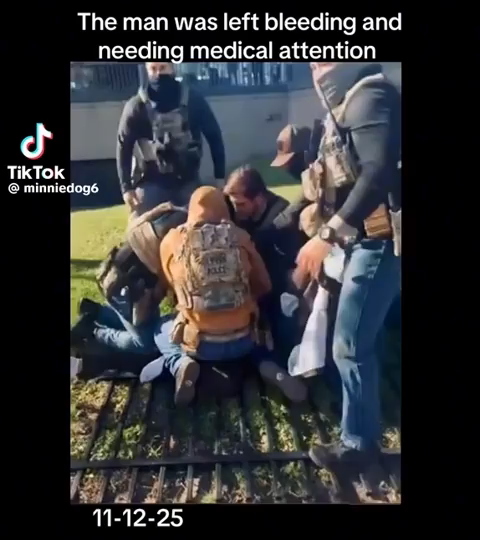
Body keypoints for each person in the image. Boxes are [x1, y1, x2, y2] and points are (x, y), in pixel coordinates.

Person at [293, 62, 401, 472]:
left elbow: (377, 172)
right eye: (312, 62)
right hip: (364, 241)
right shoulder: (350, 105)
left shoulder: (370, 96)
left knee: (350, 343)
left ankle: (358, 443)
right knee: (362, 337)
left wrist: (327, 235)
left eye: (325, 60)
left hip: (380, 241)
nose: (317, 71)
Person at [139, 186, 307, 406]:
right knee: (255, 328)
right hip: (243, 341)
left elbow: (171, 287)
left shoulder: (172, 241)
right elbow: (264, 284)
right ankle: (268, 364)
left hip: (200, 344)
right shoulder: (240, 236)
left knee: (161, 327)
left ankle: (180, 363)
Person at [117, 62, 226, 217]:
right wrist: (126, 188)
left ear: (172, 68)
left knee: (202, 221)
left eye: (163, 68)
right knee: (140, 226)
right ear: (147, 71)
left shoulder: (194, 100)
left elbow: (214, 135)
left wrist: (220, 176)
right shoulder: (136, 107)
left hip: (188, 180)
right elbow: (123, 146)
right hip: (151, 182)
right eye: (153, 69)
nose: (158, 74)